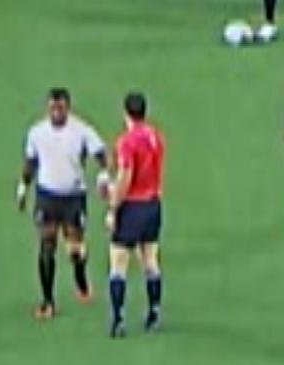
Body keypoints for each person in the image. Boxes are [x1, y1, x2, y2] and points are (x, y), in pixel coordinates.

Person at [16, 87, 110, 319]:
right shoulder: (37, 132)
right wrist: (23, 187)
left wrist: (105, 174)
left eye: (61, 107)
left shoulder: (82, 131)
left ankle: (81, 279)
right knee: (46, 246)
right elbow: (31, 162)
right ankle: (48, 302)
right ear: (48, 108)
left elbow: (101, 154)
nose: (56, 112)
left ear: (68, 107)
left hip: (73, 197)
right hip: (47, 196)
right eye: (53, 108)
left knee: (74, 250)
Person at [105, 92, 165, 338]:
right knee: (150, 261)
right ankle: (154, 311)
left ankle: (118, 318)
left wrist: (112, 207)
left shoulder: (127, 142)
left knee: (118, 264)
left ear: (125, 112)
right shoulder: (156, 137)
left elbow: (126, 177)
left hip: (132, 206)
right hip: (153, 204)